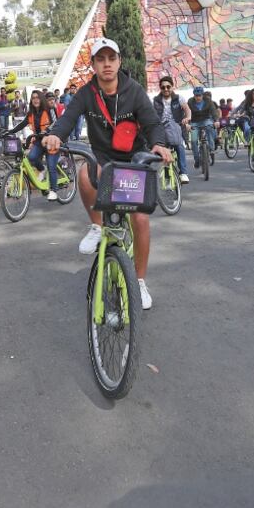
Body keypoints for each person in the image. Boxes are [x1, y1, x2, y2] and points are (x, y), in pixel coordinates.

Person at [43, 38, 171, 309]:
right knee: (84, 173)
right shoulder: (86, 93)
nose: (107, 64)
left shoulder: (134, 91)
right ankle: (97, 227)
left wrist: (158, 143)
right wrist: (55, 135)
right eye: (100, 60)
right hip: (104, 158)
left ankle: (139, 282)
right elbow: (68, 118)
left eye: (111, 58)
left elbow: (151, 122)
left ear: (119, 61)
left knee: (140, 219)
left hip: (134, 161)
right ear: (93, 65)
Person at [7, 90, 61, 200]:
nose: (35, 100)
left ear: (41, 99)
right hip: (39, 141)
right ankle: (41, 169)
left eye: (37, 97)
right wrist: (10, 132)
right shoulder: (31, 113)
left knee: (51, 166)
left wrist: (47, 131)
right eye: (33, 98)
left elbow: (56, 123)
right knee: (31, 157)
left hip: (51, 140)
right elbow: (23, 124)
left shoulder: (49, 109)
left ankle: (54, 190)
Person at [153, 75, 190, 183]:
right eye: (163, 87)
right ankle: (164, 175)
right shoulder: (155, 100)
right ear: (160, 88)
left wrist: (187, 118)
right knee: (159, 149)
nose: (166, 89)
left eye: (168, 87)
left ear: (172, 87)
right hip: (161, 128)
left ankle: (183, 173)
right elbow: (150, 114)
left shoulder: (179, 98)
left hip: (177, 127)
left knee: (179, 145)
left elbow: (187, 109)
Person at [187, 86, 217, 167]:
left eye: (199, 95)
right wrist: (187, 123)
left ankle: (211, 149)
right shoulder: (190, 102)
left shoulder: (208, 101)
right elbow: (187, 113)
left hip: (206, 120)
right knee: (193, 141)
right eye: (196, 95)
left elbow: (213, 111)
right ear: (194, 95)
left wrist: (216, 121)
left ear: (202, 95)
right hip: (194, 122)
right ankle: (196, 159)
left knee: (210, 128)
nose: (198, 97)